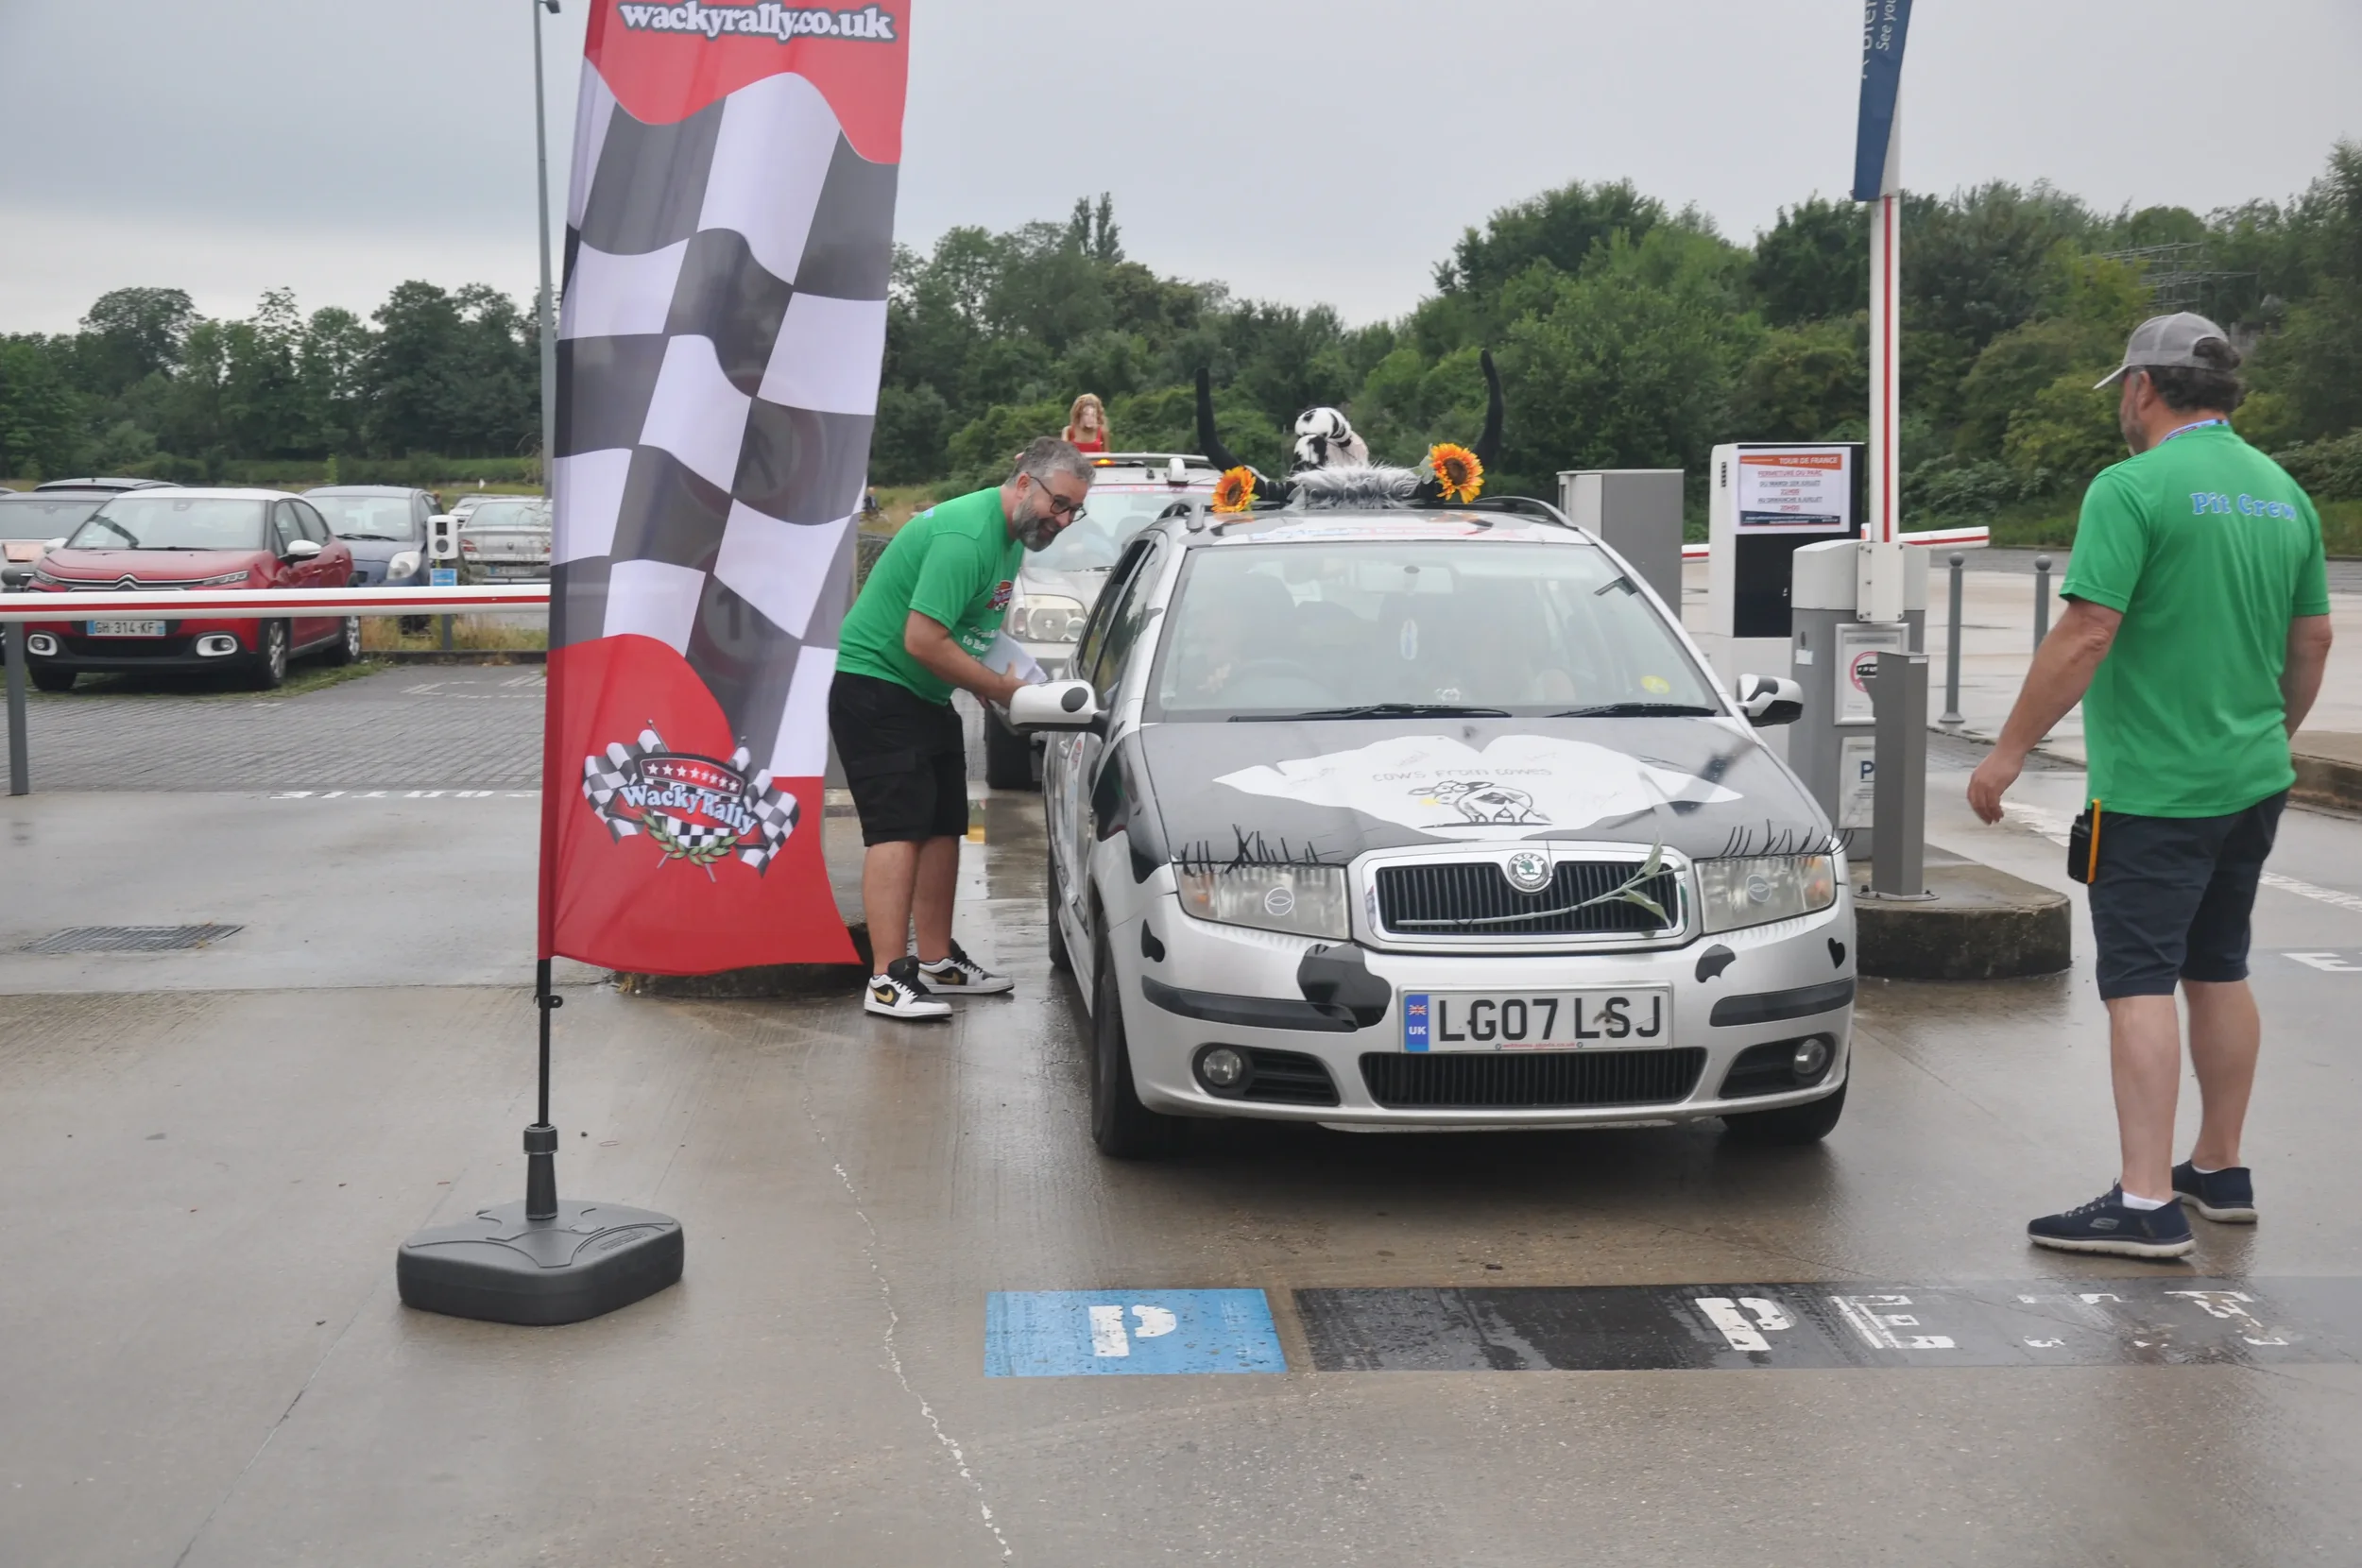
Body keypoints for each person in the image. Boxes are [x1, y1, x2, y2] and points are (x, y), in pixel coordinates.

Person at [1967, 312, 2334, 1258]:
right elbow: (2312, 640)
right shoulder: (2282, 492)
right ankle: (2217, 1167)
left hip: (2155, 788)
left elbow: (2087, 630)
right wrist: (2268, 738)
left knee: (2137, 979)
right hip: (2252, 778)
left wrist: (2007, 749)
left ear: (2142, 388)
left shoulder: (2129, 489)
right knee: (2219, 965)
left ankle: (2142, 1201)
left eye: (2122, 394)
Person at [830, 437, 1094, 1019]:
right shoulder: (967, 537)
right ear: (1024, 482)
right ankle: (885, 978)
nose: (1065, 520)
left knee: (946, 824)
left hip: (923, 692)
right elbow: (922, 639)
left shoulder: (1010, 539)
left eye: (1075, 510)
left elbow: (967, 630)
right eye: (1060, 504)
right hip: (875, 688)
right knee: (897, 829)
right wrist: (1003, 689)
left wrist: (1004, 678)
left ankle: (934, 960)